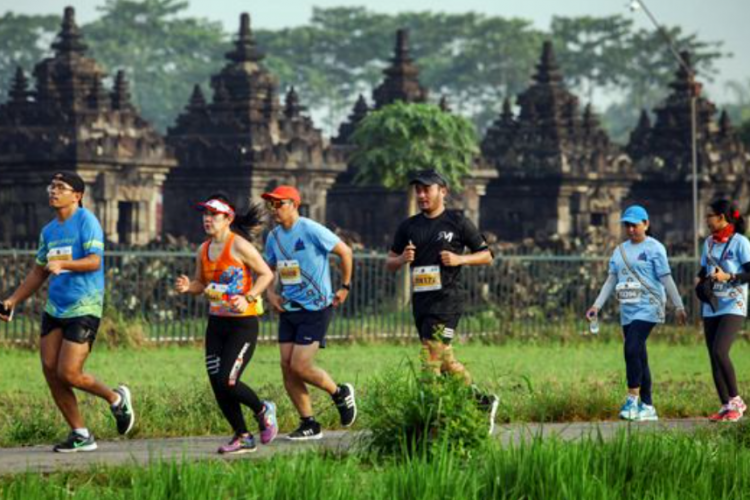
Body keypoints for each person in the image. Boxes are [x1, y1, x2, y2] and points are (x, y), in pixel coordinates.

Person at [0, 171, 134, 452]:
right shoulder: (49, 231)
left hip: (84, 306)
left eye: (61, 187)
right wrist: (13, 300)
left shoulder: (87, 221)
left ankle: (116, 399)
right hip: (55, 308)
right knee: (50, 369)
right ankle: (80, 433)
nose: (53, 191)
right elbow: (39, 271)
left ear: (77, 195)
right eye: (52, 186)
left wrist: (65, 265)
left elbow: (94, 261)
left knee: (70, 373)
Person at [385, 169, 499, 433]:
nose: (422, 195)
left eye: (427, 189)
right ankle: (480, 402)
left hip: (448, 301)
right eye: (419, 190)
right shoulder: (408, 226)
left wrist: (460, 259)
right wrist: (402, 259)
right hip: (421, 304)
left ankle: (434, 422)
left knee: (430, 360)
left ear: (442, 191)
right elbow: (389, 262)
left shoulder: (457, 222)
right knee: (446, 360)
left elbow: (486, 255)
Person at [175, 194, 279, 454]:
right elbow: (201, 284)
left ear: (228, 218)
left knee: (229, 381)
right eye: (205, 214)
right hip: (217, 325)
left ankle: (262, 409)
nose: (207, 219)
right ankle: (243, 436)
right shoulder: (204, 249)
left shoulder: (239, 245)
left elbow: (266, 274)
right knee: (217, 384)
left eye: (214, 214)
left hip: (242, 325)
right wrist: (190, 287)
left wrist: (249, 297)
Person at [262, 185, 357, 441]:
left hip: (316, 307)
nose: (274, 209)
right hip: (289, 308)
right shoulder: (273, 237)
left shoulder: (310, 229)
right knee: (287, 367)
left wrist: (345, 286)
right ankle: (309, 424)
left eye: (278, 204)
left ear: (293, 204)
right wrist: (270, 293)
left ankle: (339, 393)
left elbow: (345, 252)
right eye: (271, 204)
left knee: (300, 365)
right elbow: (267, 269)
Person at [587, 205, 687, 422]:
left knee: (631, 347)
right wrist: (597, 305)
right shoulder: (619, 250)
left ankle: (632, 399)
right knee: (639, 354)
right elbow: (611, 280)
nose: (631, 229)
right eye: (627, 225)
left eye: (635, 225)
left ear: (646, 224)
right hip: (628, 308)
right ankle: (648, 406)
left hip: (650, 305)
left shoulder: (655, 248)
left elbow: (666, 278)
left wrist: (678, 305)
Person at [697, 199, 750, 422]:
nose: (706, 219)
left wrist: (729, 277)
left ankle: (737, 401)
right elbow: (702, 269)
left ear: (722, 217)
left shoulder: (741, 243)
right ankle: (726, 405)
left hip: (733, 305)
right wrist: (700, 282)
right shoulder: (708, 243)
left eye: (710, 215)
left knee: (720, 350)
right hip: (712, 305)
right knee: (713, 356)